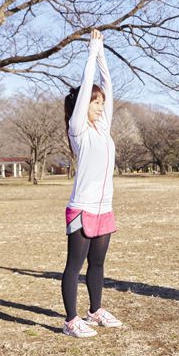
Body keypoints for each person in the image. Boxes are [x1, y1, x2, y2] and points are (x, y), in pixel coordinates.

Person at [61, 29, 122, 338]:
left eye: (100, 103)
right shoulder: (79, 131)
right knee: (75, 264)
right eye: (94, 102)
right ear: (83, 105)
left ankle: (95, 311)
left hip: (104, 207)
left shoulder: (103, 128)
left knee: (97, 264)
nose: (99, 105)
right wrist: (90, 51)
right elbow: (88, 88)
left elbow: (108, 86)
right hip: (82, 207)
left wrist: (102, 53)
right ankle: (71, 321)